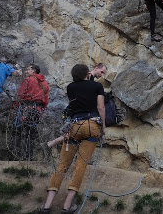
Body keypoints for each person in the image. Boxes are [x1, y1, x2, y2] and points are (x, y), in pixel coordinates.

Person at [40, 64, 105, 214]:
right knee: (80, 165)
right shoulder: (97, 87)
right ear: (87, 73)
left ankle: (47, 206)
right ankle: (67, 206)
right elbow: (101, 107)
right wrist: (104, 127)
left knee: (62, 164)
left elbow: (75, 104)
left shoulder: (70, 87)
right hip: (92, 125)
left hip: (75, 126)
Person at [46, 63, 107, 149]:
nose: (102, 75)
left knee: (74, 133)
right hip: (85, 115)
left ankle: (53, 143)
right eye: (102, 72)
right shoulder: (90, 79)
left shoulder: (80, 82)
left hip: (77, 112)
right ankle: (53, 142)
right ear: (96, 68)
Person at [13, 64, 50, 160]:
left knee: (18, 131)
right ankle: (29, 156)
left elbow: (21, 94)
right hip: (37, 110)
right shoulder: (45, 83)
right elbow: (46, 100)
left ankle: (16, 156)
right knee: (31, 133)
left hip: (25, 108)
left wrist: (15, 106)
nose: (25, 72)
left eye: (27, 70)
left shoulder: (28, 80)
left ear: (33, 70)